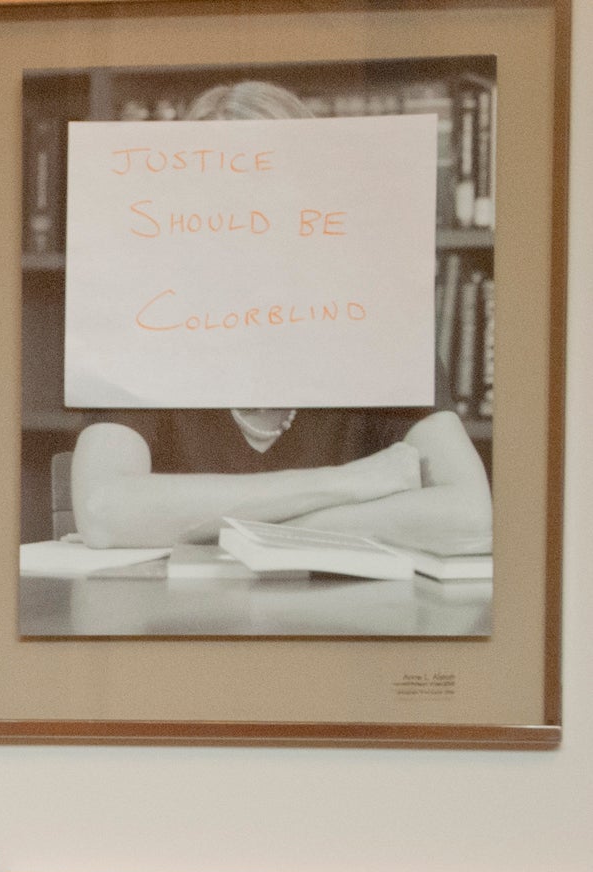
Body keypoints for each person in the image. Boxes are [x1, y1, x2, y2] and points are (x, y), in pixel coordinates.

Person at [66, 81, 494, 558]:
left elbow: (470, 517)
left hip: (344, 623)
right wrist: (351, 483)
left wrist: (218, 526)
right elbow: (105, 512)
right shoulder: (140, 332)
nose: (244, 221)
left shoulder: (380, 331)